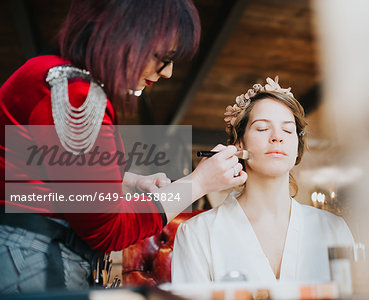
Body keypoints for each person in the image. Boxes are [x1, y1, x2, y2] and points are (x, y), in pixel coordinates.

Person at [0, 0, 247, 293]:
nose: (167, 72)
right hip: (34, 261)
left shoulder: (50, 74)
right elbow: (107, 231)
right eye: (163, 57)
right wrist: (198, 182)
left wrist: (124, 181)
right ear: (124, 33)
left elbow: (45, 173)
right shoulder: (74, 94)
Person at [171, 76, 354, 283]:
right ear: (239, 145)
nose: (277, 137)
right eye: (262, 128)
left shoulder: (333, 229)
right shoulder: (197, 233)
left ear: (296, 149)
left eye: (288, 129)